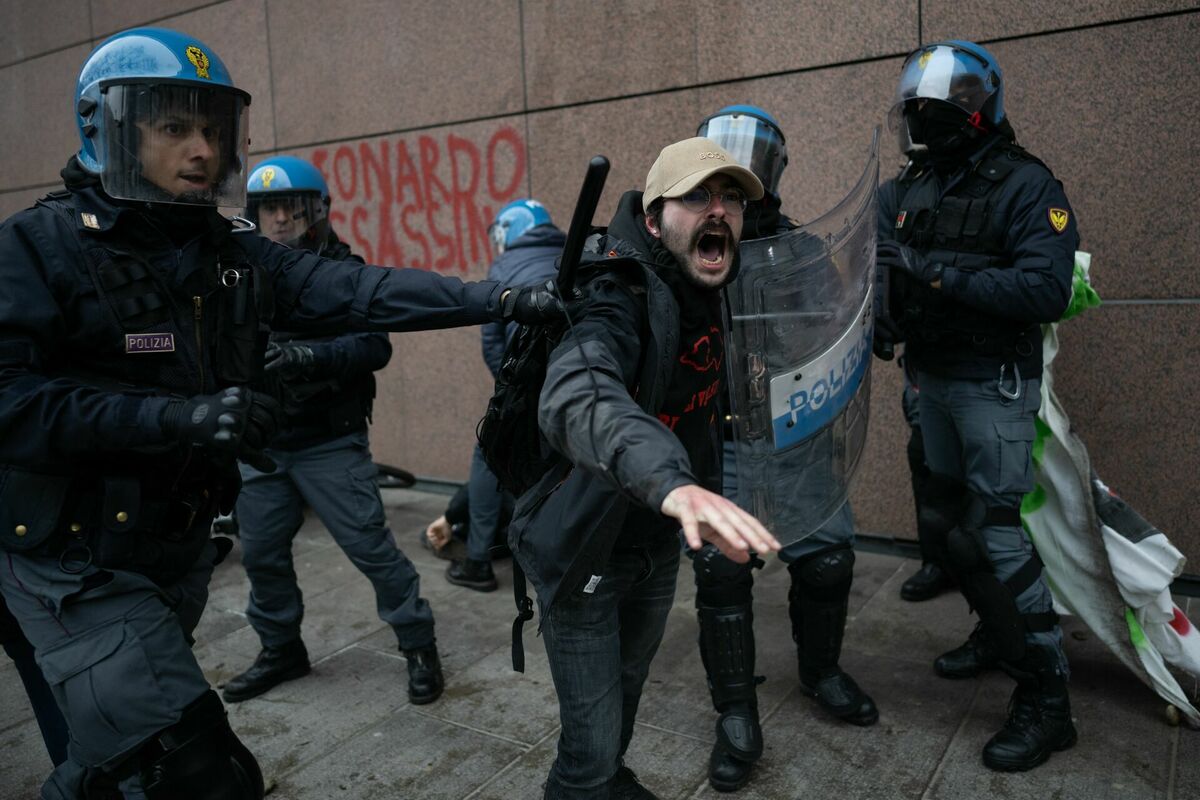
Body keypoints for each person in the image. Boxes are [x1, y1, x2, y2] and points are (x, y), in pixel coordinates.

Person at [0, 27, 561, 799]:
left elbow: (359, 296)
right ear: (107, 129)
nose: (201, 149)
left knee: (110, 763)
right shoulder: (38, 246)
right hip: (75, 563)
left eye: (213, 129)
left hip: (173, 551)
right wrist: (176, 420)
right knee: (201, 772)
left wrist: (496, 296)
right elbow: (11, 402)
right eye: (173, 127)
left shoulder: (229, 252)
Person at [510, 136, 782, 799]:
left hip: (654, 544)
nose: (719, 211)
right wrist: (673, 481)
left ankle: (611, 779)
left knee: (625, 693)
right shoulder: (615, 293)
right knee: (588, 745)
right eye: (697, 196)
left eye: (731, 199)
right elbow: (583, 394)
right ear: (655, 220)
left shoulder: (705, 286)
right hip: (583, 554)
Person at [876, 40, 1079, 771]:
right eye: (917, 112)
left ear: (975, 110)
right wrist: (882, 315)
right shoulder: (907, 188)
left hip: (992, 380)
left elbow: (1044, 291)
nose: (923, 125)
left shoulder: (1026, 186)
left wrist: (932, 277)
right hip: (929, 379)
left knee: (994, 533)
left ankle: (1048, 701)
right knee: (950, 528)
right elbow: (876, 270)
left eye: (937, 111)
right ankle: (995, 634)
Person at [688, 105, 879, 792]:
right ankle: (735, 712)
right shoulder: (685, 249)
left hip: (793, 438)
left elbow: (836, 326)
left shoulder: (801, 249)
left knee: (827, 562)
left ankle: (821, 671)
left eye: (746, 170)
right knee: (721, 572)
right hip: (723, 442)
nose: (729, 189)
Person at [219, 155, 443, 706]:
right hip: (264, 445)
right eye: (267, 210)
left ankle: (418, 643)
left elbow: (375, 345)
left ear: (315, 212)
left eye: (289, 209)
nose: (277, 221)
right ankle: (281, 649)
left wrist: (307, 356)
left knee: (370, 548)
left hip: (329, 441)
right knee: (263, 556)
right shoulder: (240, 269)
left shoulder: (343, 270)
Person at [443, 199, 565, 592]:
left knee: (488, 454)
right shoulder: (571, 252)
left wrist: (510, 387)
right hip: (578, 381)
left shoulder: (504, 266)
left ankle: (478, 559)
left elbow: (492, 341)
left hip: (529, 383)